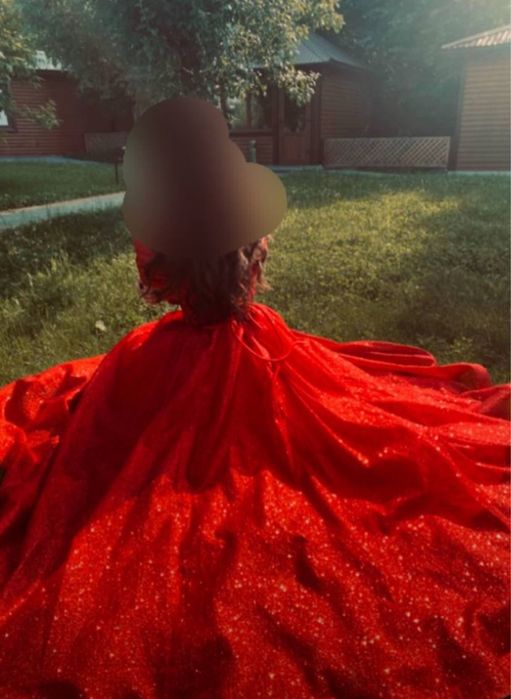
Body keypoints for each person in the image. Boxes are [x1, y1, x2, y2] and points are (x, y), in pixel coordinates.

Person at [0, 97, 509, 699]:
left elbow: (155, 279)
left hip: (183, 356)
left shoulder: (159, 272)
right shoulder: (235, 237)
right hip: (253, 341)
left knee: (108, 438)